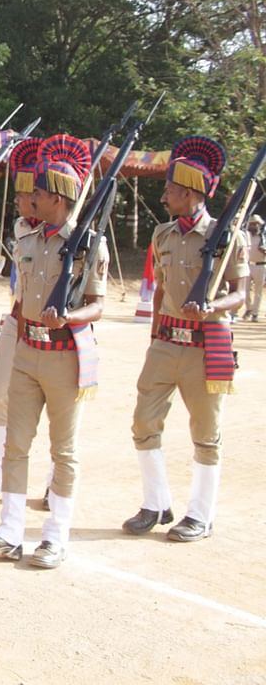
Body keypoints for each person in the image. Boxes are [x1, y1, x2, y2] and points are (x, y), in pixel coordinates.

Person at [0, 134, 107, 569]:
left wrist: (68, 317)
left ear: (60, 198)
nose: (33, 196)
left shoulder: (90, 245)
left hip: (66, 354)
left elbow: (99, 304)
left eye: (41, 192)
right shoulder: (28, 241)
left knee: (63, 450)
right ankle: (10, 531)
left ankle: (55, 536)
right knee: (16, 444)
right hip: (27, 350)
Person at [123, 137, 246, 542]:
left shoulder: (228, 237)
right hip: (166, 342)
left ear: (191, 193)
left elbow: (240, 293)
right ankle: (155, 502)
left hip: (207, 342)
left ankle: (200, 515)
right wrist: (155, 334)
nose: (164, 196)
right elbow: (159, 291)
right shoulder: (163, 235)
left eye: (172, 190)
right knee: (143, 422)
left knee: (206, 433)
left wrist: (211, 308)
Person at [0, 138, 44, 503]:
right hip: (16, 320)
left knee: (49, 406)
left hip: (51, 329)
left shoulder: (73, 234)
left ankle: (51, 478)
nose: (17, 201)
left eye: (23, 194)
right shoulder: (19, 227)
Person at [244, 215, 264, 321]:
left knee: (258, 291)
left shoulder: (263, 237)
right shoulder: (246, 236)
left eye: (256, 223)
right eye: (252, 223)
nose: (254, 225)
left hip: (261, 265)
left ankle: (255, 313)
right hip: (248, 265)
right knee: (245, 290)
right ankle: (249, 309)